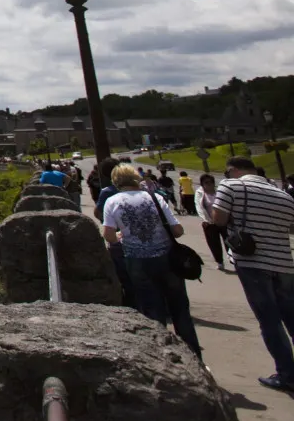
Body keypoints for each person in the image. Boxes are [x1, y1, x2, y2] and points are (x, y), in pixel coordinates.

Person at [103, 163, 202, 357]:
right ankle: (194, 357)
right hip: (167, 259)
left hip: (137, 260)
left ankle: (163, 357)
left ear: (116, 181)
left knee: (151, 310)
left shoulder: (112, 202)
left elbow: (108, 235)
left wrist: (121, 237)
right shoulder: (155, 198)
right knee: (180, 309)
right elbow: (178, 231)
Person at [213, 156, 294, 392]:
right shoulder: (283, 194)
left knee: (270, 320)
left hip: (252, 261)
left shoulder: (231, 186)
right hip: (284, 262)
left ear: (234, 170)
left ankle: (287, 374)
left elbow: (218, 218)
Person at [94, 157, 136, 308]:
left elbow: (98, 213)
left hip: (121, 241)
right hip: (148, 240)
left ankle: (134, 307)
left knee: (127, 279)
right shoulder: (142, 191)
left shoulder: (107, 192)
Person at [195, 174, 225, 271]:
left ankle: (233, 258)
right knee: (214, 243)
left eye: (211, 182)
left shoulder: (219, 191)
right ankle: (220, 261)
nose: (209, 184)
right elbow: (199, 207)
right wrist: (204, 219)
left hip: (223, 220)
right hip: (209, 222)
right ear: (202, 184)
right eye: (206, 182)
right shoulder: (200, 193)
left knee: (229, 241)